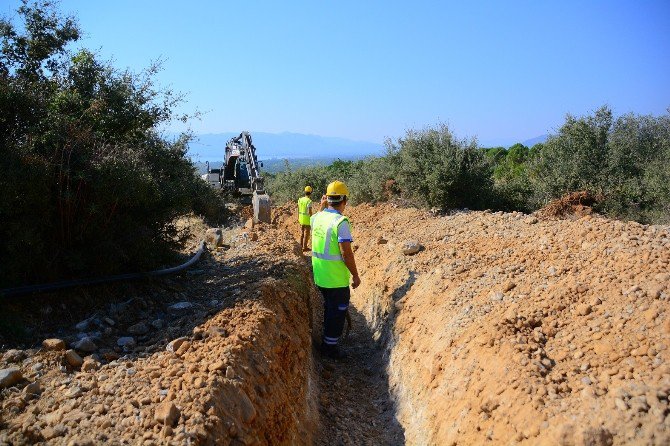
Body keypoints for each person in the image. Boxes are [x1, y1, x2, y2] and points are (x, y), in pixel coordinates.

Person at [310, 180, 361, 360]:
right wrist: (355, 275)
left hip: (320, 275)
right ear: (344, 200)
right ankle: (329, 349)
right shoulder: (341, 222)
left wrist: (321, 207)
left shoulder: (316, 218)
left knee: (329, 308)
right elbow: (346, 253)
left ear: (327, 199)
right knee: (337, 313)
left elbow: (316, 216)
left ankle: (327, 338)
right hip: (336, 279)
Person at [298, 186, 313, 251]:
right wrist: (312, 218)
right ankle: (305, 247)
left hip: (301, 218)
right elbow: (310, 212)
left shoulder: (300, 199)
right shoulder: (309, 201)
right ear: (310, 192)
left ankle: (300, 246)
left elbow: (298, 209)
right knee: (306, 234)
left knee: (302, 233)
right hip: (307, 220)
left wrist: (298, 217)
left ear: (305, 192)